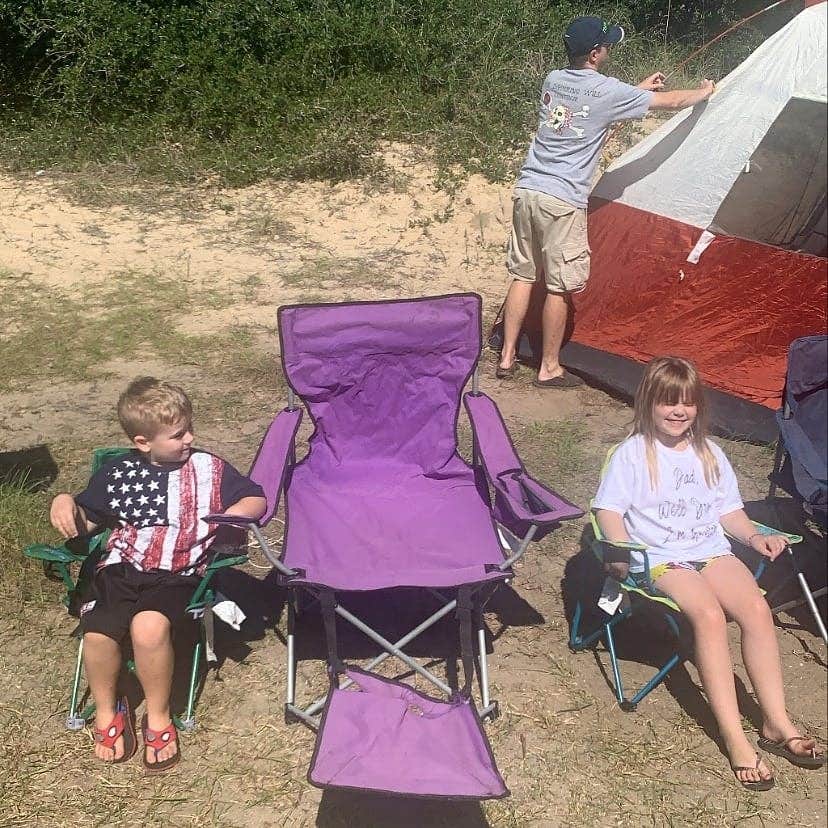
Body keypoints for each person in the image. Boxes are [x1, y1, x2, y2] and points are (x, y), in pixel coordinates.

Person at [593, 356, 826, 790]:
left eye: (688, 402)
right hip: (660, 557)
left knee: (757, 608)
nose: (678, 411)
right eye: (668, 402)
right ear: (648, 403)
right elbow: (608, 509)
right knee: (710, 616)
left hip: (710, 551)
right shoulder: (632, 454)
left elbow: (728, 511)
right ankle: (735, 737)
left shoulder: (709, 453)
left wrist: (755, 538)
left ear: (699, 406)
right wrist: (618, 548)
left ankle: (776, 722)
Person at [49, 377, 266, 772]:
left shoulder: (209, 467)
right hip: (122, 568)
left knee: (148, 628)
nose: (190, 438)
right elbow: (88, 520)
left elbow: (255, 497)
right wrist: (64, 501)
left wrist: (234, 516)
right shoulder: (120, 473)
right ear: (142, 442)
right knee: (97, 632)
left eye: (189, 428)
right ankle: (106, 711)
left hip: (179, 572)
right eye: (178, 434)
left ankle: (159, 716)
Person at [497, 16, 715, 387]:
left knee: (522, 275)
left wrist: (635, 89)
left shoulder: (553, 79)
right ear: (596, 53)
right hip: (562, 200)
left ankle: (506, 357)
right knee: (558, 286)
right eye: (607, 45)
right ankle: (549, 367)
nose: (609, 50)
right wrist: (704, 92)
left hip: (528, 189)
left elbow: (588, 106)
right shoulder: (609, 92)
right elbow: (671, 101)